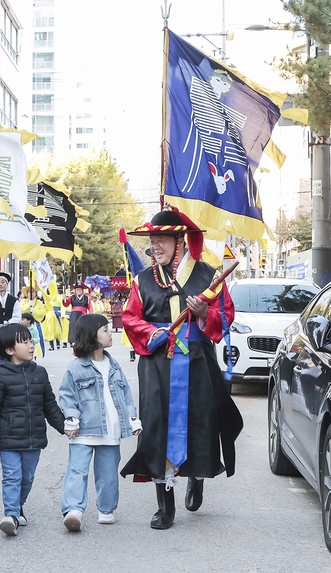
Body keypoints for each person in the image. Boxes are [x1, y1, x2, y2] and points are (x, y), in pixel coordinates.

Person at [120, 208, 243, 530]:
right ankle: (165, 505)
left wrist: (204, 313)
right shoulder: (143, 280)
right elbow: (131, 318)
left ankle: (196, 476)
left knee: (200, 420)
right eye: (152, 242)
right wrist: (152, 333)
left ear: (179, 241)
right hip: (157, 361)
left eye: (160, 240)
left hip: (198, 361)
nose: (154, 247)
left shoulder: (208, 276)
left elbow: (225, 316)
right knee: (156, 424)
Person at [59, 314, 141, 532]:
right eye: (105, 330)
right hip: (83, 429)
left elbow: (126, 396)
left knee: (108, 473)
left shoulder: (114, 366)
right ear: (91, 336)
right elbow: (67, 396)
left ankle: (106, 509)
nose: (110, 333)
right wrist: (71, 418)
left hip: (111, 429)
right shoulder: (75, 367)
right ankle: (73, 510)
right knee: (77, 470)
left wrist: (133, 421)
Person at [0, 324, 67, 537]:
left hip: (33, 438)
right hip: (8, 437)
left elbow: (50, 405)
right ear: (10, 350)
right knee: (12, 476)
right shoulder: (0, 374)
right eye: (25, 342)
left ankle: (18, 506)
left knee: (27, 478)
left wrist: (64, 426)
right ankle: (10, 514)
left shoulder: (39, 372)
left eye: (31, 341)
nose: (31, 345)